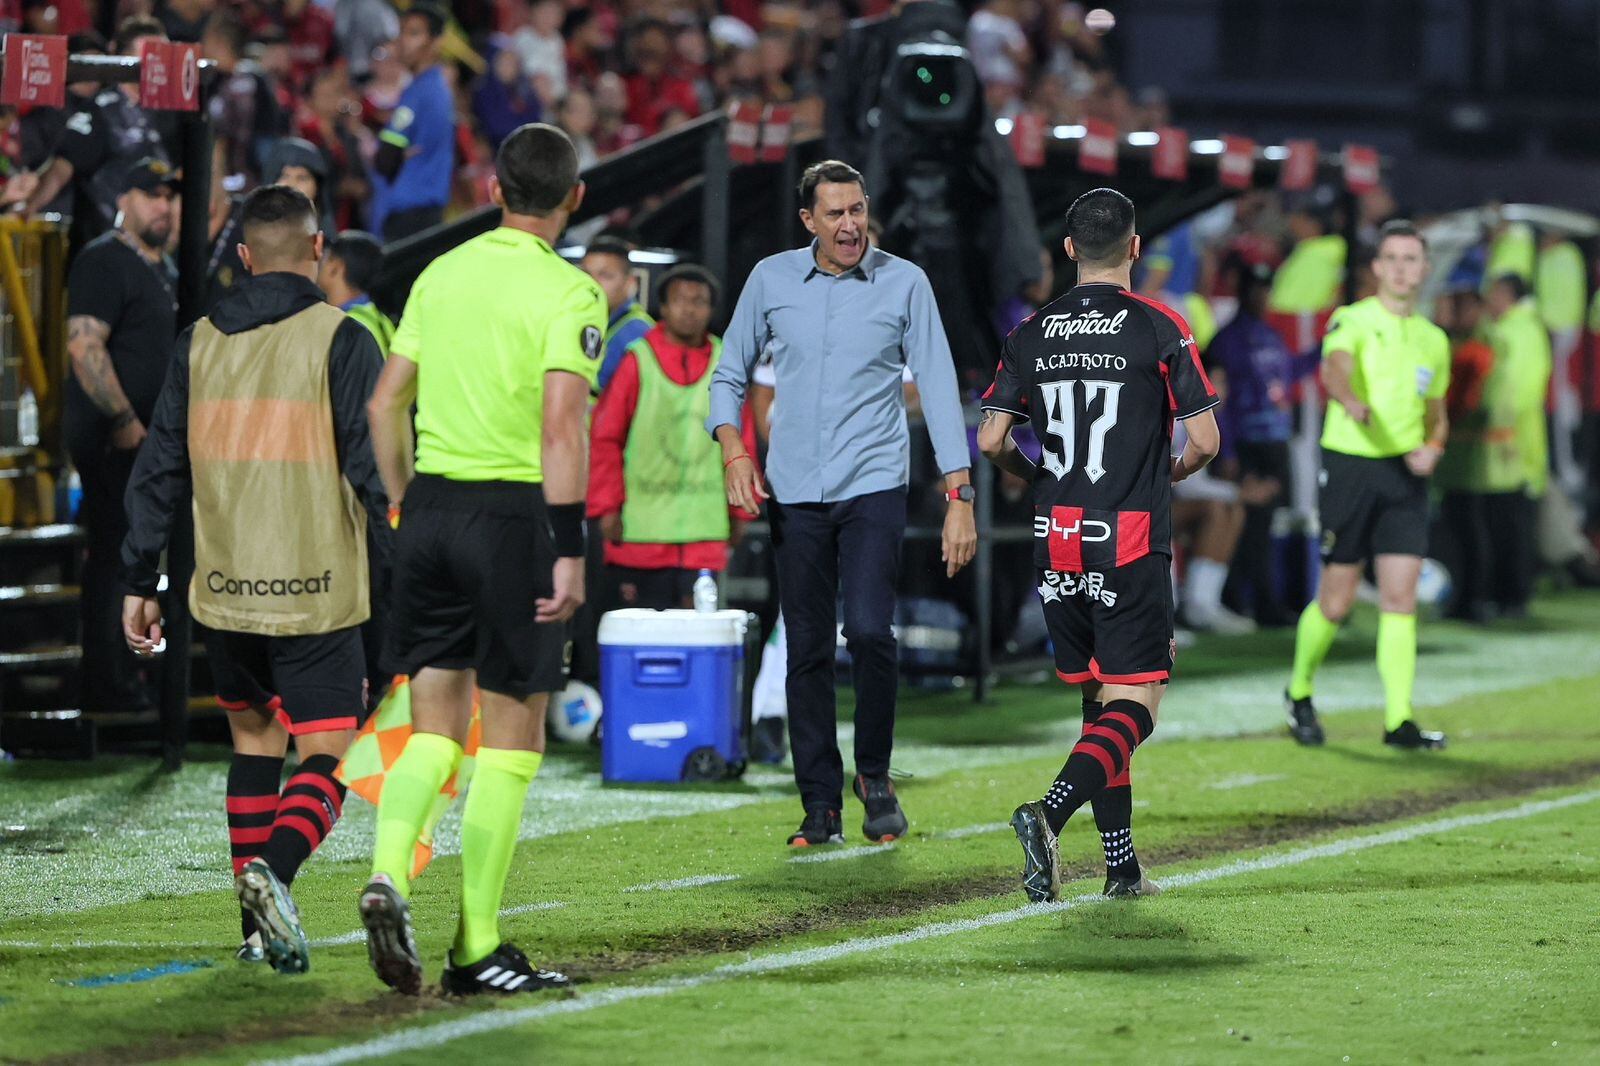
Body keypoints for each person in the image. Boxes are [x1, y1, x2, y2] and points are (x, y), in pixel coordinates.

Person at [361, 122, 604, 997]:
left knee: (433, 726)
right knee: (511, 737)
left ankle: (389, 869)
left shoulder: (440, 272)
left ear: (494, 187)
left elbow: (386, 403)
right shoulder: (571, 292)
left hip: (428, 507)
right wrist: (570, 550)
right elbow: (560, 427)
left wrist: (402, 504)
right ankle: (479, 948)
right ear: (575, 197)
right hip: (515, 521)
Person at [120, 184, 388, 972]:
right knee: (331, 754)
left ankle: (251, 932)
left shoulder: (197, 341)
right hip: (317, 589)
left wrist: (140, 576)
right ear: (317, 250)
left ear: (242, 256)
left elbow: (160, 463)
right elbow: (376, 475)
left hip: (224, 586)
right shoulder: (342, 338)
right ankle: (275, 872)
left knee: (253, 739)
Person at [708, 159, 976, 848]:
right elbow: (729, 373)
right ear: (809, 221)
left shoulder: (905, 282)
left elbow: (940, 388)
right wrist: (734, 450)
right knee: (805, 648)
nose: (851, 224)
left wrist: (960, 494)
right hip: (794, 490)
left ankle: (876, 777)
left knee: (867, 631)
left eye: (857, 209)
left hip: (874, 482)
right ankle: (819, 804)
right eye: (836, 213)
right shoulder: (769, 279)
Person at [978, 187, 1220, 901]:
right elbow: (1204, 438)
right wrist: (1167, 470)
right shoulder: (1159, 327)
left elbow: (992, 437)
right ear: (1137, 248)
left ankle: (1121, 869)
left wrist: (1032, 476)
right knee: (1135, 706)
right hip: (1129, 536)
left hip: (1057, 538)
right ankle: (1047, 814)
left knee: (1098, 704)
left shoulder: (1031, 331)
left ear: (1069, 249)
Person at [1285, 220, 1451, 750]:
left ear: (1425, 270)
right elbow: (1335, 368)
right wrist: (1350, 399)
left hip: (1404, 473)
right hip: (1352, 466)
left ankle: (1399, 719)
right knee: (1336, 602)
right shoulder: (1352, 319)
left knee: (1401, 597)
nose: (1403, 269)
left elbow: (1437, 413)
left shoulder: (1433, 339)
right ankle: (1299, 690)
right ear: (1377, 268)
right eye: (1393, 259)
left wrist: (1435, 446)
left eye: (1412, 259)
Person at [64, 158, 179, 719]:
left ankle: (135, 674)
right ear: (124, 199)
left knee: (136, 557)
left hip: (151, 444)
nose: (164, 205)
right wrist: (124, 421)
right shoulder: (105, 258)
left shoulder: (164, 264)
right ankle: (107, 682)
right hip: (116, 443)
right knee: (114, 555)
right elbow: (85, 346)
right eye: (151, 194)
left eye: (169, 195)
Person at [588, 264, 757, 608]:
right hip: (638, 537)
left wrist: (741, 512)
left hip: (704, 538)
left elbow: (744, 442)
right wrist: (606, 508)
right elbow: (606, 439)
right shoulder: (637, 361)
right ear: (662, 307)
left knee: (698, 645)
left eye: (699, 301)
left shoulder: (727, 363)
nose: (689, 309)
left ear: (712, 310)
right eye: (679, 300)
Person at [8, 16, 172, 239]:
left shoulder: (174, 115)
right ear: (122, 59)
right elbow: (61, 168)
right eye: (150, 56)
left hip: (162, 241)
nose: (158, 64)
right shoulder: (101, 112)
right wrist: (29, 205)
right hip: (109, 240)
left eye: (165, 56)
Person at [1207, 260, 1296, 626]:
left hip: (1275, 440)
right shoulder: (1227, 339)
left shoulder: (1270, 336)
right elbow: (1217, 402)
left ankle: (1244, 599)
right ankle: (1255, 602)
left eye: (1266, 289)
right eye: (1256, 289)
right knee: (1251, 524)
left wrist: (1325, 350)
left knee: (1263, 524)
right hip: (1246, 444)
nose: (1262, 296)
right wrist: (1225, 451)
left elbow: (1289, 375)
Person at [371, 3, 455, 242]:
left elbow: (384, 160)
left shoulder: (421, 93)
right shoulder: (434, 88)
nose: (403, 41)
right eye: (402, 32)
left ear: (436, 41)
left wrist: (393, 154)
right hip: (424, 212)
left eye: (414, 33)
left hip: (411, 217)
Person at [581, 236, 654, 392]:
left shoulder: (638, 332)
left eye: (606, 275)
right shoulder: (586, 319)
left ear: (630, 282)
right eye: (585, 274)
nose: (592, 284)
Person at [321, 231, 394, 354]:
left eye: (326, 258)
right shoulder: (381, 319)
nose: (319, 264)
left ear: (336, 266)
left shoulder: (345, 326)